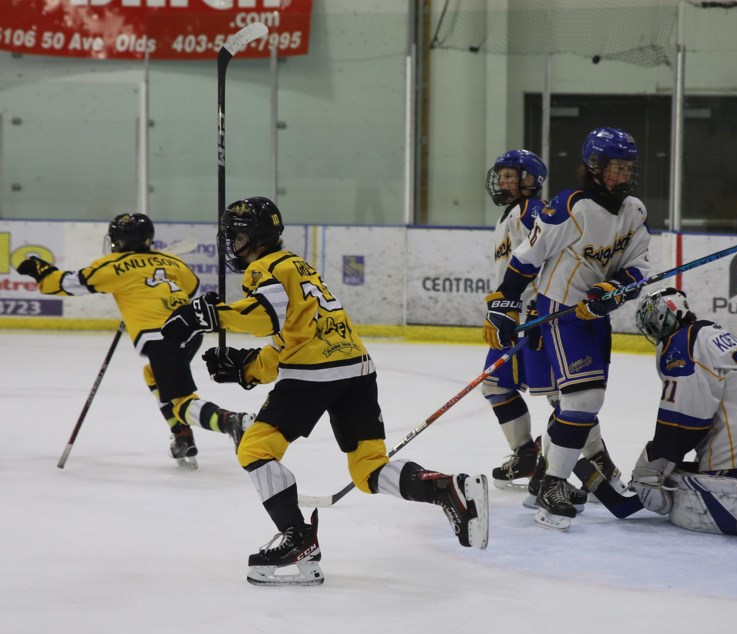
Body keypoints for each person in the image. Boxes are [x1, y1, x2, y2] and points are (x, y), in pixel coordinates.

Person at [160, 197, 489, 586]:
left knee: (254, 449)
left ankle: (299, 540)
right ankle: (446, 489)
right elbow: (296, 334)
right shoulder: (298, 266)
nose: (232, 243)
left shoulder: (266, 268)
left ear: (258, 237)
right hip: (357, 369)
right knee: (368, 469)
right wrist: (248, 367)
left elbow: (267, 317)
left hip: (315, 375)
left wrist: (207, 316)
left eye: (238, 234)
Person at [482, 127, 652, 531]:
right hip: (559, 309)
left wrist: (616, 289)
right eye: (615, 167)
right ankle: (554, 482)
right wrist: (506, 304)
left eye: (627, 167)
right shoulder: (570, 206)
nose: (622, 174)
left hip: (594, 315)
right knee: (580, 398)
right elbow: (528, 257)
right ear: (594, 166)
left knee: (580, 401)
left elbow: (638, 267)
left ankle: (553, 475)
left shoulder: (635, 211)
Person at [575, 287, 737, 543]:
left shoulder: (681, 344)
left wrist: (656, 460)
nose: (654, 332)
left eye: (653, 325)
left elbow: (687, 415)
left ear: (664, 317)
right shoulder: (707, 332)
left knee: (695, 491)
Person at [16, 213, 251, 469]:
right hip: (190, 332)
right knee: (153, 376)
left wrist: (41, 271)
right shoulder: (173, 261)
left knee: (181, 400)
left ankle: (230, 421)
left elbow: (68, 284)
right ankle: (182, 436)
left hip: (160, 338)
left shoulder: (112, 266)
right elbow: (190, 288)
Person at [481, 149, 557, 490]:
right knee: (495, 385)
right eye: (502, 175)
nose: (503, 181)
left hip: (534, 318)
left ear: (530, 180)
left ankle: (592, 467)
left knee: (564, 398)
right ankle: (526, 455)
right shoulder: (509, 215)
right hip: (511, 319)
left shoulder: (532, 210)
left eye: (511, 175)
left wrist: (537, 306)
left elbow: (548, 257)